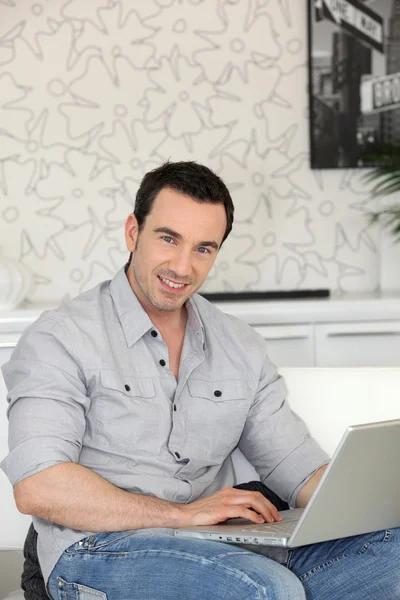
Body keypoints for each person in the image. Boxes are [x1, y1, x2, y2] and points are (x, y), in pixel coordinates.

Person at [1, 161, 399, 600]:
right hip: (98, 548)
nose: (182, 266)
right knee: (265, 590)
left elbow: (297, 470)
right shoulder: (61, 336)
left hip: (222, 548)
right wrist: (182, 514)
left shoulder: (239, 344)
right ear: (133, 232)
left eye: (203, 248)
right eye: (168, 238)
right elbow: (38, 486)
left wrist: (373, 501)